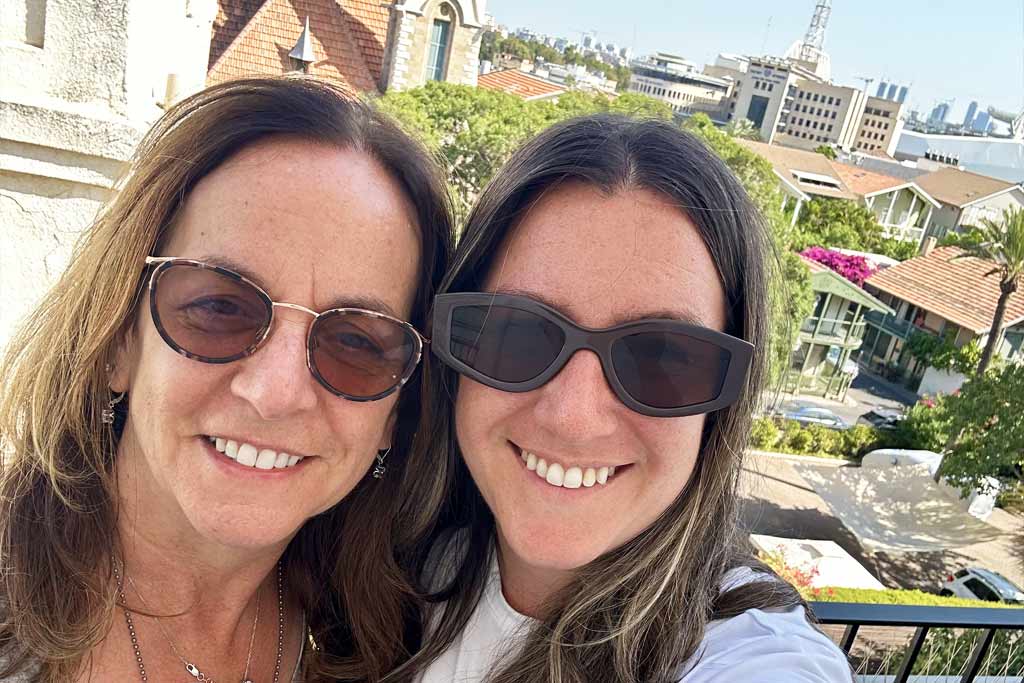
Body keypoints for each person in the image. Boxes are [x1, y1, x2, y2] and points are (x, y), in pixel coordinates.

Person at [0, 76, 453, 682]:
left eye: (355, 343)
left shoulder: (393, 651)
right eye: (220, 308)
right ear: (118, 341)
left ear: (395, 416)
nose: (275, 394)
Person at [407, 115, 853, 682]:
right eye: (517, 333)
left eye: (660, 359)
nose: (573, 417)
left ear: (722, 409)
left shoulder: (751, 657)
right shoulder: (401, 573)